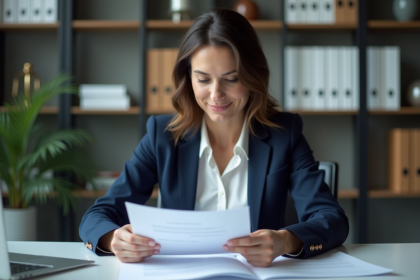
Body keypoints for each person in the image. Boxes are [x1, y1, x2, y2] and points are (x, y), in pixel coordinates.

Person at [79, 8, 349, 268]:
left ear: (253, 77)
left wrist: (285, 241)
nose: (216, 94)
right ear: (189, 79)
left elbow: (332, 219)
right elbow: (96, 217)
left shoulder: (284, 135)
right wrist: (113, 239)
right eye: (204, 79)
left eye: (231, 79)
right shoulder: (162, 136)